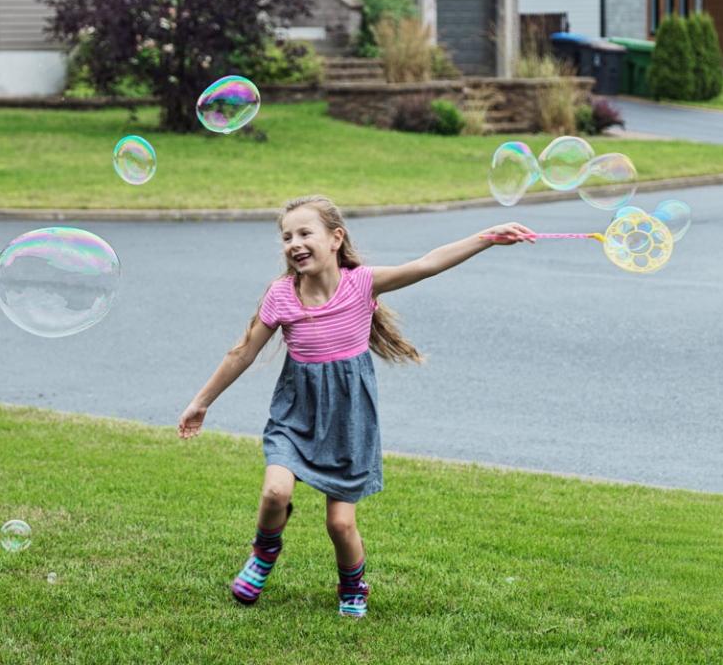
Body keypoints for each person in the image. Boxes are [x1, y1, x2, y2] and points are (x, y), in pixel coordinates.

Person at [177, 195, 533, 618]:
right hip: (296, 417)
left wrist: (488, 237)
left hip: (349, 423)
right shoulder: (281, 295)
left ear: (335, 239)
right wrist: (201, 403)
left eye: (305, 233)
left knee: (340, 524)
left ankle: (352, 583)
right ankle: (263, 553)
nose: (294, 243)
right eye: (287, 236)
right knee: (275, 491)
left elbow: (428, 263)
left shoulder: (362, 283)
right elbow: (242, 353)